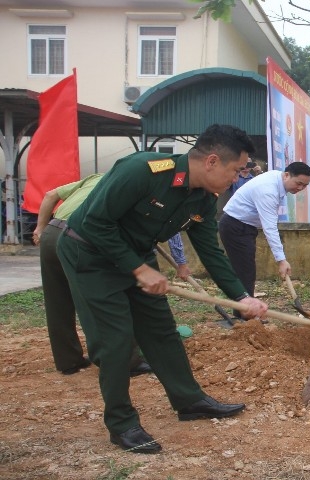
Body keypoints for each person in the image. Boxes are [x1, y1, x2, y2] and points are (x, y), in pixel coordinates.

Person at [56, 124, 269, 454]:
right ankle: (122, 423)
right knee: (116, 341)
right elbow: (95, 223)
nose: (238, 178)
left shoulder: (202, 198)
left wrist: (240, 297)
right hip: (90, 254)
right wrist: (138, 269)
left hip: (136, 254)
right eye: (236, 170)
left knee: (161, 331)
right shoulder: (142, 171)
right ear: (212, 161)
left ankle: (190, 400)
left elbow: (210, 251)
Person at [33, 175, 151, 376]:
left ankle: (68, 361)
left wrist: (40, 228)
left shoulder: (99, 176)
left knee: (58, 300)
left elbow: (51, 195)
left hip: (52, 233)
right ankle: (126, 362)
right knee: (108, 296)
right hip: (81, 237)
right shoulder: (135, 186)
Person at [218, 161, 310, 300]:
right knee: (245, 271)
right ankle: (245, 314)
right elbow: (269, 227)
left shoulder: (277, 179)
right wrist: (281, 260)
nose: (301, 188)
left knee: (245, 270)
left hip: (244, 226)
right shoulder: (268, 190)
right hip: (235, 226)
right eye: (298, 183)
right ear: (287, 175)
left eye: (305, 185)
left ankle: (243, 310)